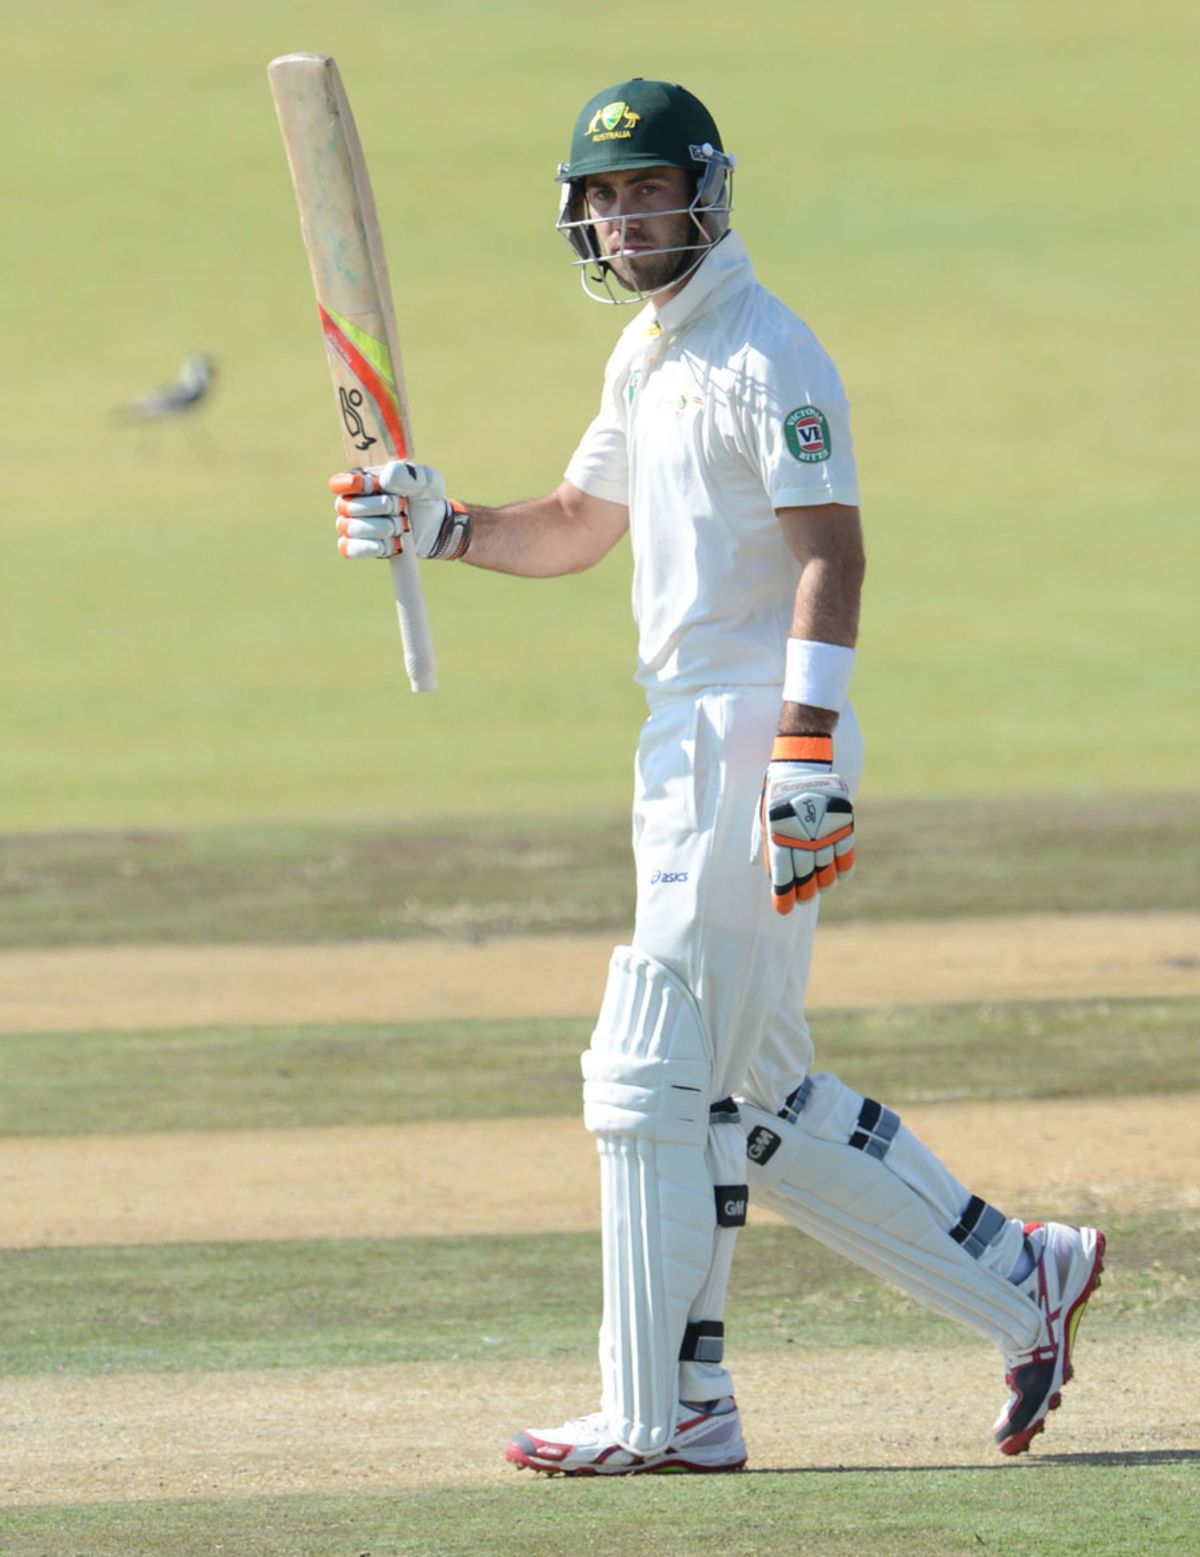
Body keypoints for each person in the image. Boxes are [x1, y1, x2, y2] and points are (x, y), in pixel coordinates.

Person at [330, 78, 1106, 1475]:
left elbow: (832, 555)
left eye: (648, 190)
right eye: (604, 197)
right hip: (677, 738)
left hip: (758, 735)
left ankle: (666, 1409)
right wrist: (439, 523)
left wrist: (806, 746)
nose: (626, 217)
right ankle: (1018, 1270)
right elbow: (575, 525)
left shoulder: (767, 350)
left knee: (652, 1074)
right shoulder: (645, 354)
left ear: (706, 192)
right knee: (755, 1087)